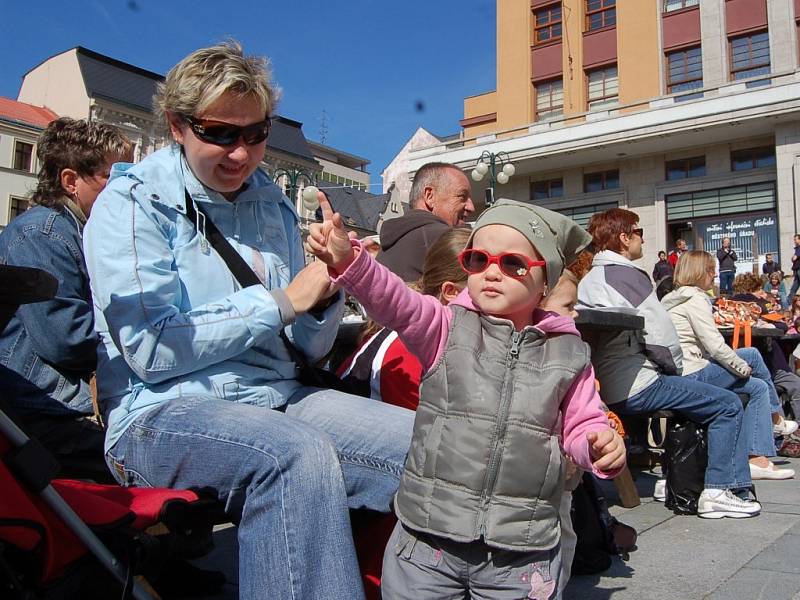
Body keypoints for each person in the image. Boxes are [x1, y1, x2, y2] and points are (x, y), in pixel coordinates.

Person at [82, 42, 414, 600]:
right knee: (293, 455)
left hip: (275, 395)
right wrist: (283, 301)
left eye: (256, 134)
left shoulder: (273, 204)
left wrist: (327, 292)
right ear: (177, 126)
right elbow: (151, 349)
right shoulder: (132, 203)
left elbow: (304, 352)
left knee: (433, 446)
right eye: (221, 133)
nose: (241, 153)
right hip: (159, 411)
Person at [308, 196, 625, 599]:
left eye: (513, 264)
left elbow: (583, 423)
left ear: (545, 281)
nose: (493, 272)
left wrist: (597, 446)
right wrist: (349, 261)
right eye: (479, 260)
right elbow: (394, 300)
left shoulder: (568, 354)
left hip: (520, 550)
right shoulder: (444, 327)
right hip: (428, 540)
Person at [578, 208, 761, 519]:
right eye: (639, 233)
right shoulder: (627, 275)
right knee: (729, 404)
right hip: (637, 385)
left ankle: (684, 478)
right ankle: (721, 488)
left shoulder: (593, 277)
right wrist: (676, 372)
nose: (642, 239)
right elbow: (662, 338)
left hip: (609, 385)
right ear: (624, 238)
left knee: (743, 387)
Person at [0, 117, 132, 480]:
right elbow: (65, 339)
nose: (127, 185)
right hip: (45, 409)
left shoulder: (82, 231)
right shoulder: (41, 233)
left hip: (59, 406)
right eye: (113, 175)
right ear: (71, 181)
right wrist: (143, 335)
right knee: (140, 467)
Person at [662, 251, 794, 480]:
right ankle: (775, 419)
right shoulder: (696, 298)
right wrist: (741, 368)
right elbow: (714, 345)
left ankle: (758, 458)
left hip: (681, 370)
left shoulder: (673, 299)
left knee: (758, 388)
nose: (714, 276)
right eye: (711, 270)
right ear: (700, 272)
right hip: (693, 372)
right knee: (751, 354)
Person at [376, 162, 475, 281]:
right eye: (462, 196)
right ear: (429, 196)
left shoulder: (387, 248)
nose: (471, 207)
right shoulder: (444, 239)